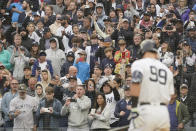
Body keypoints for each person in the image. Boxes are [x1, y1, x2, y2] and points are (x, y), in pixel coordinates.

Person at [128, 39, 174, 131]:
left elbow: (136, 83)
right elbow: (172, 96)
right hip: (163, 113)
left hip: (145, 111)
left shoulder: (139, 63)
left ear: (142, 51)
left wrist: (134, 109)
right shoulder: (166, 69)